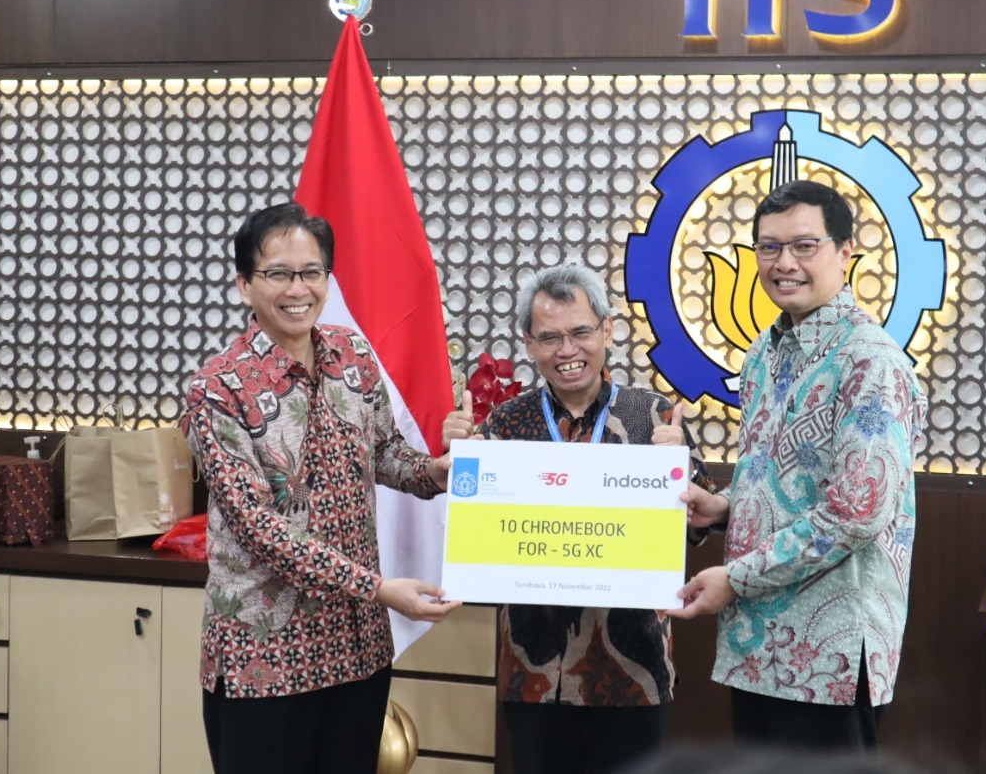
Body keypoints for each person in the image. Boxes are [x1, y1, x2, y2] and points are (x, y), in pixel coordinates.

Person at [181, 202, 459, 774]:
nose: (297, 289)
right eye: (278, 273)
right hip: (266, 659)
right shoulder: (217, 387)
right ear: (244, 285)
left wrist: (436, 471)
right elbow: (259, 529)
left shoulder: (353, 356)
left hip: (356, 651)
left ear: (328, 280)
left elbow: (384, 454)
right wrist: (380, 588)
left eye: (311, 272)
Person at [670, 180, 927, 751]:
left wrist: (734, 578)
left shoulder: (870, 362)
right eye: (768, 247)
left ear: (846, 250)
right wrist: (722, 510)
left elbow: (854, 514)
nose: (784, 263)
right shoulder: (765, 350)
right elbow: (786, 481)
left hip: (827, 660)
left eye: (804, 246)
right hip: (757, 647)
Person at [441, 263, 714, 774]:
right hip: (535, 672)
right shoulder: (505, 423)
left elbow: (700, 525)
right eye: (549, 338)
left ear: (607, 331)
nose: (566, 351)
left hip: (634, 672)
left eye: (580, 333)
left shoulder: (653, 416)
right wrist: (460, 463)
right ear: (528, 344)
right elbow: (476, 539)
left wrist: (684, 465)